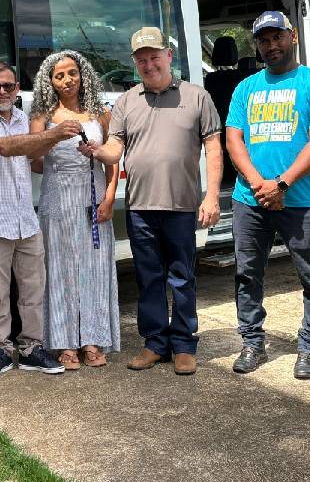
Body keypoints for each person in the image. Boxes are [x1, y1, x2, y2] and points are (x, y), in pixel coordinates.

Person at [81, 27, 222, 376]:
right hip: (140, 207)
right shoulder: (127, 101)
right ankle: (155, 344)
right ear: (135, 63)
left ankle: (184, 345)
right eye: (141, 59)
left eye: (154, 57)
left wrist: (212, 196)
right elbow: (115, 148)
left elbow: (213, 146)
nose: (149, 64)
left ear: (168, 56)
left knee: (182, 277)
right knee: (149, 278)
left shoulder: (196, 96)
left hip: (181, 205)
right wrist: (97, 150)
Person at [224, 11, 310, 380]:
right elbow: (233, 140)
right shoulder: (246, 88)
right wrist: (259, 183)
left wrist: (282, 185)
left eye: (277, 37)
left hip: (300, 200)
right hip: (249, 199)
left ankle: (309, 347)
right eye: (263, 40)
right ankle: (252, 343)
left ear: (293, 37)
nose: (271, 45)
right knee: (247, 274)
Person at [0, 61, 80, 380]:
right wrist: (54, 133)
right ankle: (0, 349)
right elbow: (4, 147)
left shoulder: (23, 119)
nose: (2, 91)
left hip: (25, 219)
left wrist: (77, 155)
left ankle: (31, 349)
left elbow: (35, 156)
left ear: (17, 89)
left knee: (33, 291)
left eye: (8, 86)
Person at [29, 51, 120, 369]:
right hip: (57, 199)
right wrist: (55, 138)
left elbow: (112, 158)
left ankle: (92, 340)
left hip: (93, 198)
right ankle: (65, 342)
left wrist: (109, 199)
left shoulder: (100, 112)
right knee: (61, 269)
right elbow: (34, 159)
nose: (67, 80)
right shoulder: (42, 114)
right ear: (50, 82)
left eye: (72, 73)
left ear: (82, 75)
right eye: (59, 76)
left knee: (93, 269)